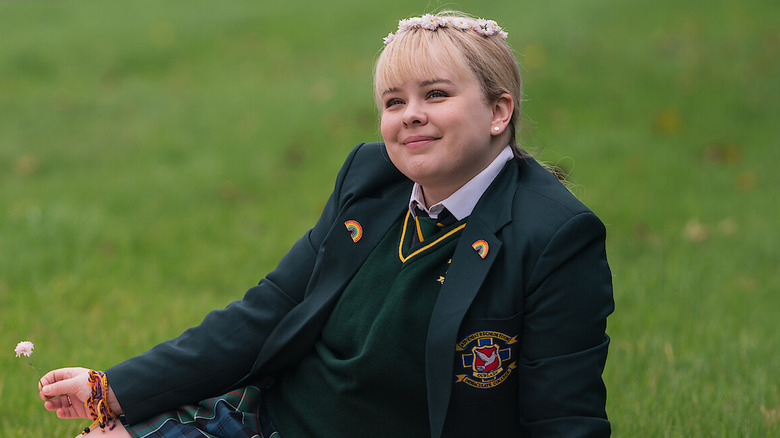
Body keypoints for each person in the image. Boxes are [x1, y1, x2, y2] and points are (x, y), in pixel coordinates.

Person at [39, 11, 614, 438]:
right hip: (273, 420)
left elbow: (564, 418)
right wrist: (115, 389)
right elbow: (270, 309)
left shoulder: (554, 236)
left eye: (435, 95)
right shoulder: (371, 178)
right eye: (394, 101)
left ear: (498, 111)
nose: (410, 114)